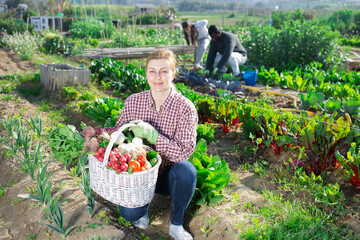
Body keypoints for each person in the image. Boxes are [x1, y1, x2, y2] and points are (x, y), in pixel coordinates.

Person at [101, 49, 198, 240]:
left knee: (186, 171)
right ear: (146, 74)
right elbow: (118, 135)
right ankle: (141, 208)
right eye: (152, 71)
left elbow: (183, 152)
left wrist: (154, 137)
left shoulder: (185, 108)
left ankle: (176, 224)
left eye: (164, 71)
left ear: (173, 74)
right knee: (130, 215)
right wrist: (97, 135)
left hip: (168, 175)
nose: (157, 77)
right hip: (137, 174)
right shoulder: (133, 102)